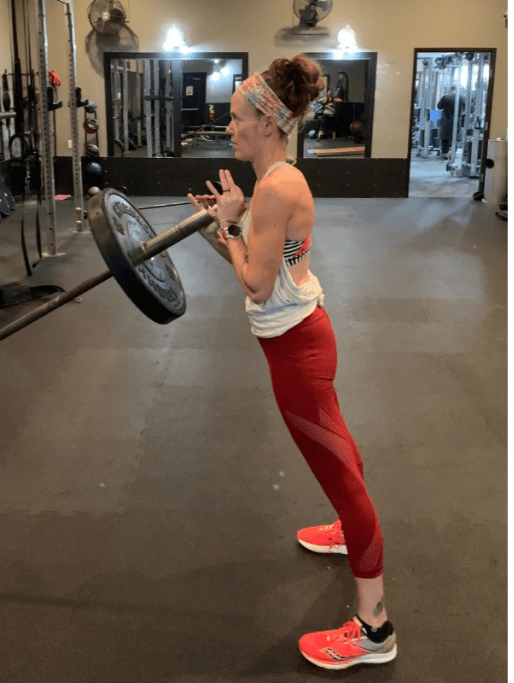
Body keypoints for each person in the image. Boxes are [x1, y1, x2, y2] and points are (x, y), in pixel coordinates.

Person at [187, 55, 396, 671]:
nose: (228, 128)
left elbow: (253, 282)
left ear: (269, 123)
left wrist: (229, 228)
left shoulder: (276, 187)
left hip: (297, 351)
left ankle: (374, 628)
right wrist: (218, 222)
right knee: (341, 454)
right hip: (300, 338)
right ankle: (344, 529)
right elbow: (262, 259)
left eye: (235, 118)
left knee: (343, 475)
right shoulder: (273, 182)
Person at [436, 86, 466, 158]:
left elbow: (439, 106)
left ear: (451, 89)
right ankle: (453, 153)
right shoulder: (463, 97)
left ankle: (445, 153)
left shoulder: (446, 97)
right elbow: (468, 109)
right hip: (457, 121)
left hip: (446, 120)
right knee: (455, 137)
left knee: (445, 137)